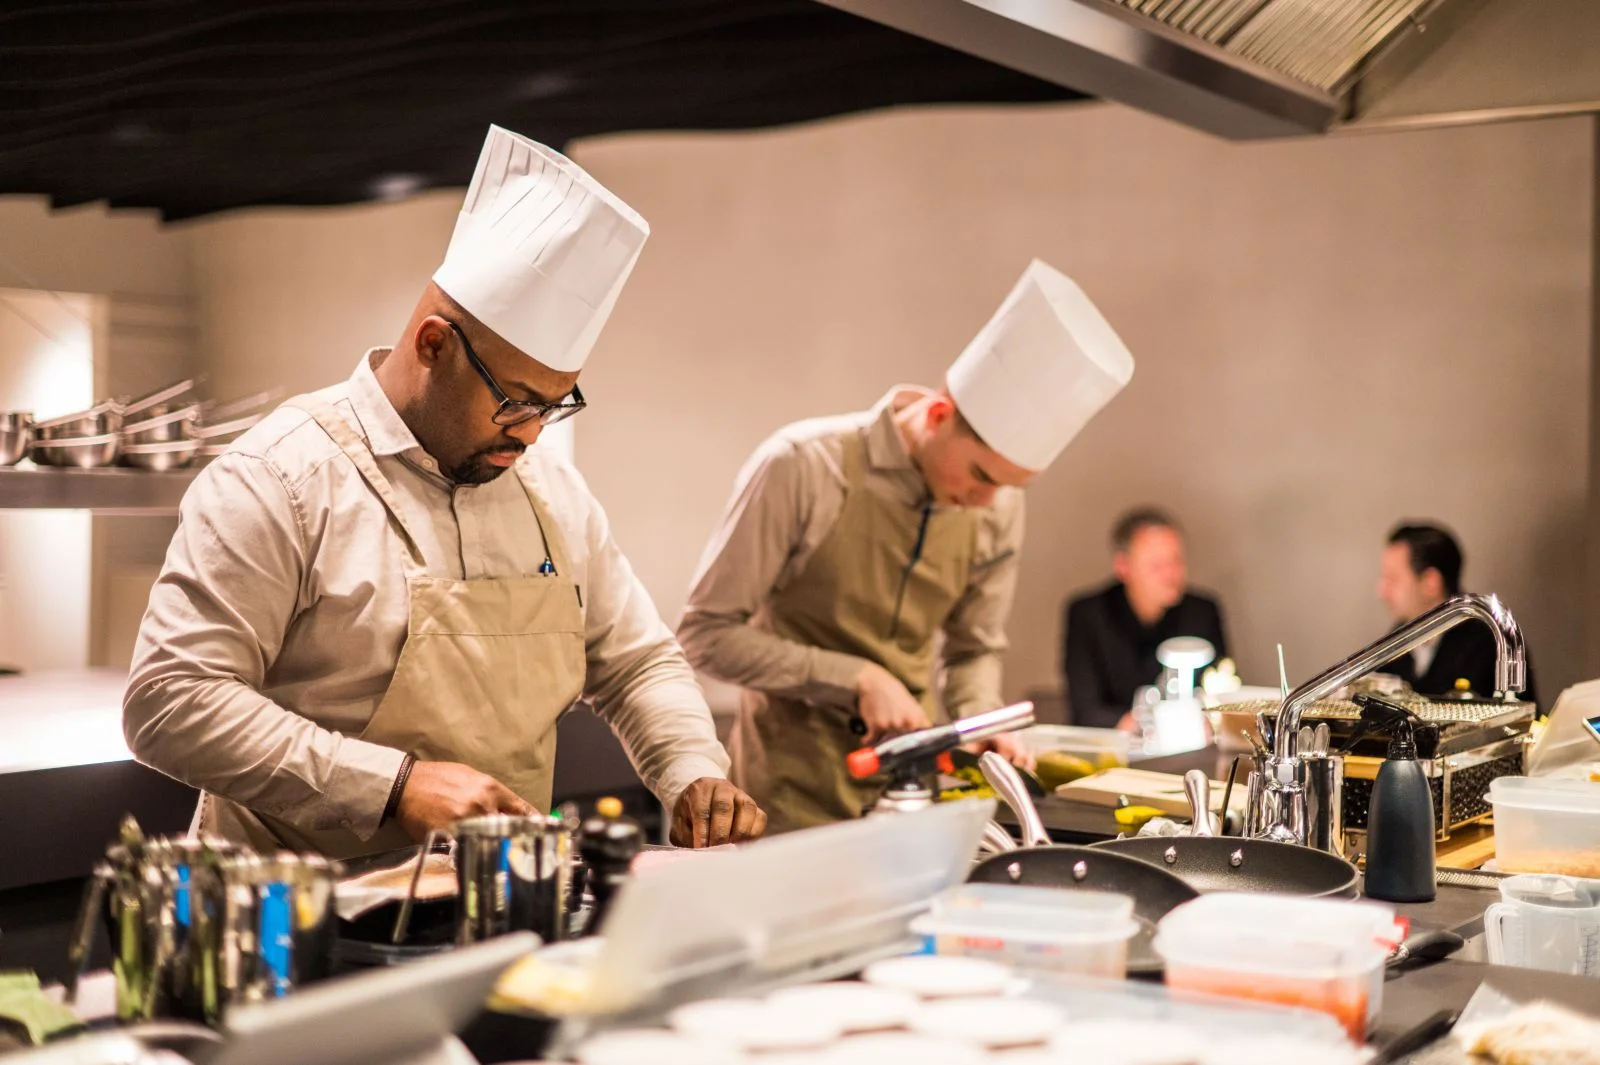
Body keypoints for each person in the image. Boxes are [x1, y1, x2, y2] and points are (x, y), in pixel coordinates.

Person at [123, 125, 765, 857]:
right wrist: (392, 785)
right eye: (517, 400)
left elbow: (636, 661)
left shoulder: (553, 494)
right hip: (299, 916)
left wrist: (691, 771)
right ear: (433, 344)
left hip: (498, 904)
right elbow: (171, 700)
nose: (529, 435)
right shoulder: (281, 478)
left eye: (555, 406)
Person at [678, 260, 1135, 833]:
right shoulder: (804, 467)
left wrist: (980, 718)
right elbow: (705, 634)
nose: (988, 503)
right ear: (939, 413)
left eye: (1010, 487)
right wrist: (858, 678)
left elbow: (973, 650)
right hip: (787, 800)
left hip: (912, 802)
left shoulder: (999, 504)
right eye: (980, 476)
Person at [1062, 509, 1228, 729]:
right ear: (1123, 567)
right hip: (1120, 747)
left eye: (1176, 561)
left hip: (1191, 747)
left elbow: (1222, 690)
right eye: (1157, 566)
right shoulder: (1089, 615)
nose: (1171, 574)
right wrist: (1151, 726)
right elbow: (1086, 710)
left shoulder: (1202, 612)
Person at [1377, 522, 1537, 705]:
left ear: (1430, 582)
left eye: (1392, 579)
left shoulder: (1488, 642)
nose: (1381, 591)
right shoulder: (1397, 640)